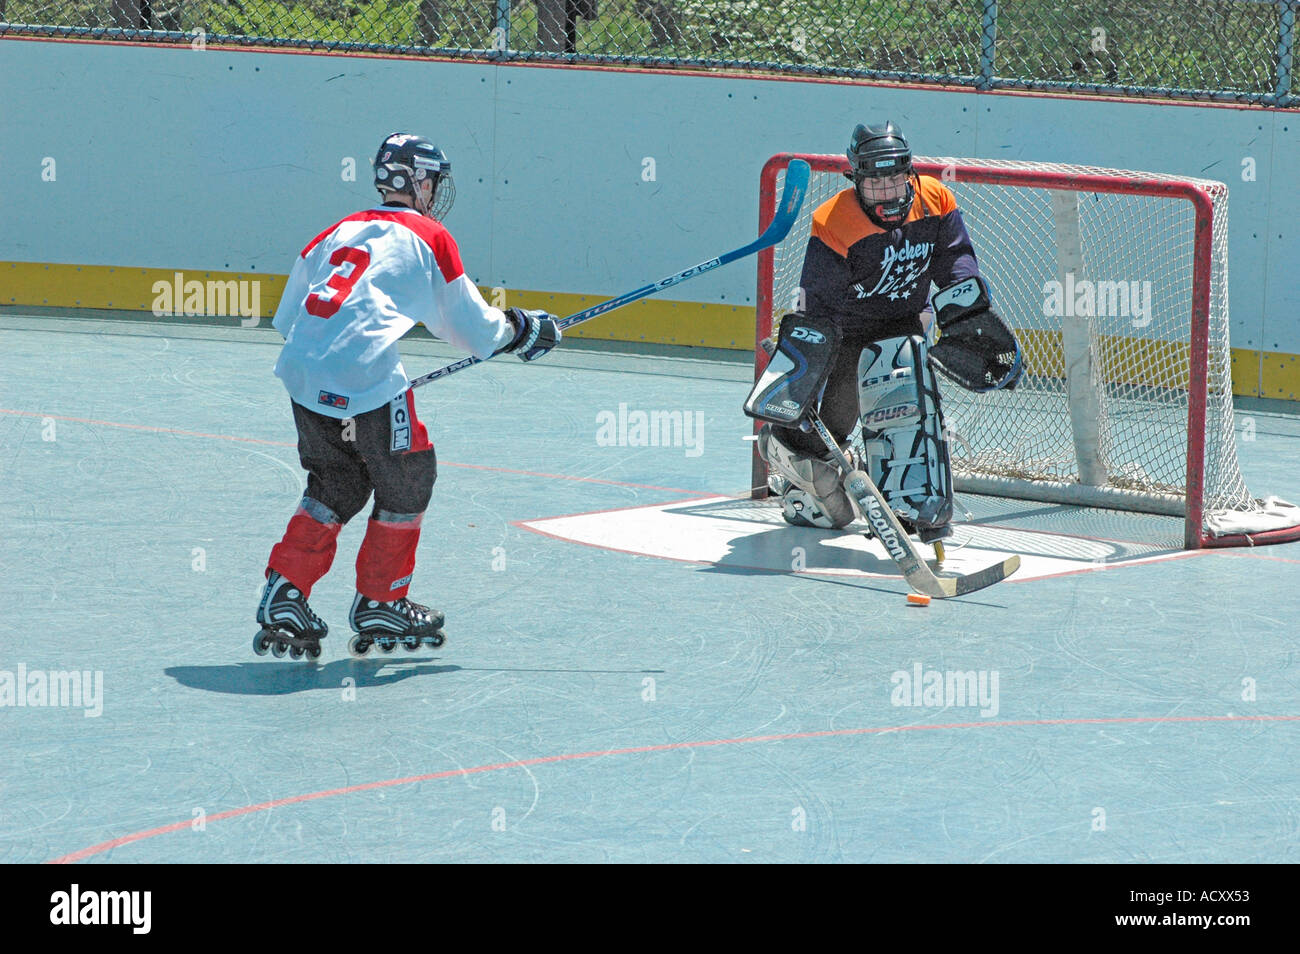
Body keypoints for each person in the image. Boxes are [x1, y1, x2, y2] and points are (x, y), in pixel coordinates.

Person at [253, 132, 560, 659]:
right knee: (408, 475)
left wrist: (338, 375)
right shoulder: (428, 235)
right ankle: (381, 600)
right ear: (416, 179)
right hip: (365, 376)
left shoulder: (335, 230)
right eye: (433, 180)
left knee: (337, 479)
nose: (436, 191)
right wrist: (522, 328)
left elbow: (289, 320)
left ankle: (285, 593)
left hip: (303, 371)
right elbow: (473, 329)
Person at [756, 121, 1019, 544]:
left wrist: (970, 320)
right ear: (856, 181)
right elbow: (817, 302)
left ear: (910, 173)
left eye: (895, 180)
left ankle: (916, 503)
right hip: (847, 333)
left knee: (911, 415)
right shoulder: (833, 220)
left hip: (906, 324)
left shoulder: (936, 198)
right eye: (875, 184)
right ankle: (785, 446)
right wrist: (801, 370)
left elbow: (955, 263)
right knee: (829, 445)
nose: (888, 194)